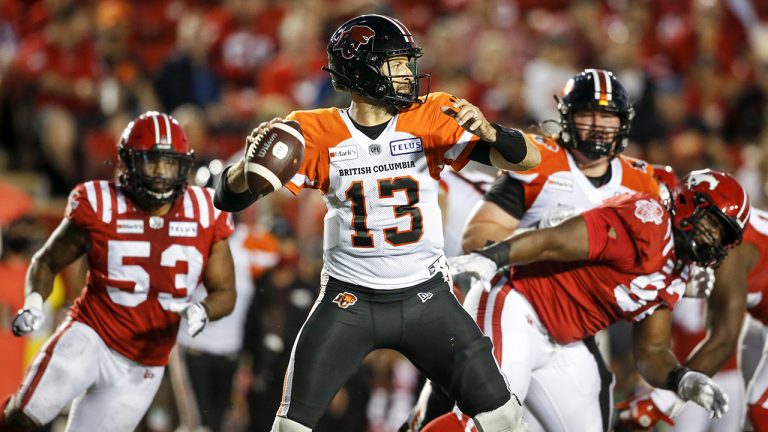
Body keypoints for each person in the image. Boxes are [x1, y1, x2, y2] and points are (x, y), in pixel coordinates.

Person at [214, 14, 541, 432]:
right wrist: (248, 167)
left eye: (408, 63)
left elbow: (529, 160)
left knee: (505, 419)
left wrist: (493, 133)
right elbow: (229, 197)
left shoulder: (432, 114)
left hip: (427, 298)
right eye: (397, 64)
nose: (409, 74)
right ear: (361, 70)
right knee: (290, 428)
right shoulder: (314, 131)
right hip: (349, 301)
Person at [405, 68, 661, 431]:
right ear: (568, 117)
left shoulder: (642, 181)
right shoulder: (539, 161)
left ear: (623, 122)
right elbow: (478, 238)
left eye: (607, 115)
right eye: (588, 113)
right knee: (483, 416)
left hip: (576, 325)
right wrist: (547, 242)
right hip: (517, 305)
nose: (598, 124)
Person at [425, 169, 750, 432]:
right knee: (493, 418)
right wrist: (493, 257)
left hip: (565, 341)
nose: (712, 238)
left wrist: (683, 379)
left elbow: (651, 352)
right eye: (711, 223)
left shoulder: (678, 271)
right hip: (519, 301)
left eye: (723, 235)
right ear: (688, 202)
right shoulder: (647, 223)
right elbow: (554, 242)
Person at [0, 111, 237, 431]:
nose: (161, 174)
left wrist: (203, 310)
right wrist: (33, 302)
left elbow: (225, 292)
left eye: (169, 163)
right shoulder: (99, 203)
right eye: (152, 162)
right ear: (127, 163)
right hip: (91, 334)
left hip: (143, 363)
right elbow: (47, 262)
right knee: (22, 418)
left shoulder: (206, 210)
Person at [616, 206, 768, 431]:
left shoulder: (731, 252)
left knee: (760, 408)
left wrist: (660, 402)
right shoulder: (731, 232)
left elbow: (723, 342)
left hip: (728, 369)